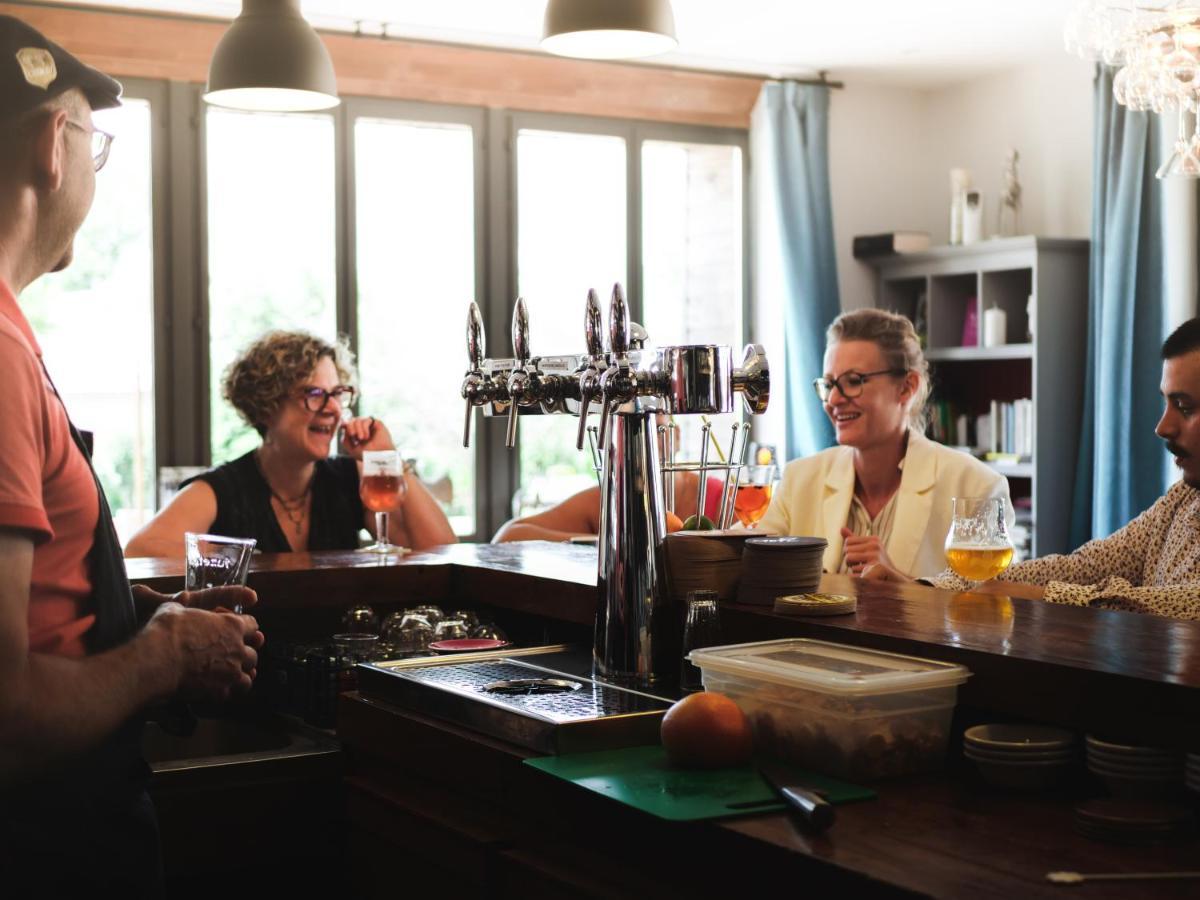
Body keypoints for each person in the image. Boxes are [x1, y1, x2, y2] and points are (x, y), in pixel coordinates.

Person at [0, 15, 263, 894]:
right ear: (51, 144)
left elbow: (39, 608)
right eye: (95, 143)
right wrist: (160, 657)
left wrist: (138, 618)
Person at [865, 317, 1200, 621]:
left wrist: (1041, 598)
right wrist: (926, 587)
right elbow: (1081, 567)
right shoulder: (1182, 501)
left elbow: (1182, 604)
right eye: (1166, 403)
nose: (1163, 427)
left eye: (1183, 407)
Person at [125, 330, 457, 556]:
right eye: (314, 394)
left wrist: (387, 457)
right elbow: (141, 551)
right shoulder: (222, 488)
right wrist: (232, 556)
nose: (332, 408)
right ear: (266, 406)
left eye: (337, 394)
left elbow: (440, 549)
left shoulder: (349, 479)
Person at [758, 308, 1011, 577]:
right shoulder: (799, 480)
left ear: (906, 387)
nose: (833, 400)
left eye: (853, 381)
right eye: (830, 384)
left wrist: (901, 584)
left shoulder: (978, 487)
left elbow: (991, 606)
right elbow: (751, 568)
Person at [493, 470, 724, 543]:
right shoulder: (611, 496)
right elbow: (509, 537)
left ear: (677, 436)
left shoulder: (725, 497)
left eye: (657, 429)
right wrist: (608, 547)